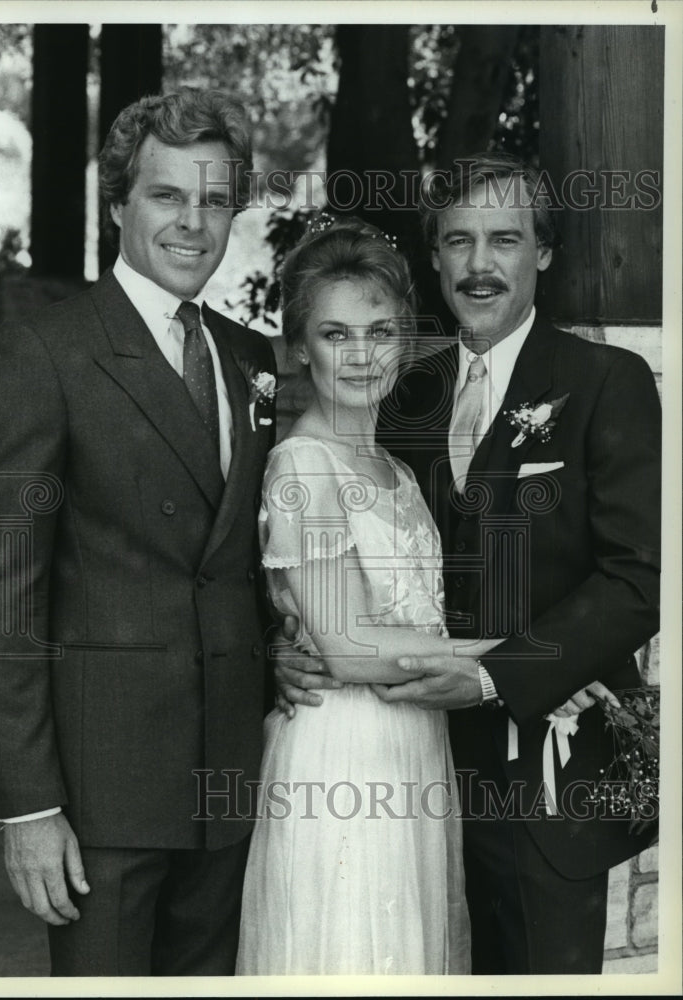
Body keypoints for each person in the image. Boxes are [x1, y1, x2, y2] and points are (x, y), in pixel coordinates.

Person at [277, 155, 661, 974]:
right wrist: (288, 638)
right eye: (458, 241)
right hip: (410, 766)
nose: (479, 265)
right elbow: (331, 550)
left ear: (542, 252)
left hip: (548, 781)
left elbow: (639, 579)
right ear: (435, 256)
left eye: (504, 239)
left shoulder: (606, 382)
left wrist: (494, 676)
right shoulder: (397, 392)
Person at [0, 89, 277, 976]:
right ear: (117, 205)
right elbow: (1, 598)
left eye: (214, 200)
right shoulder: (41, 353)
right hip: (102, 793)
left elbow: (241, 562)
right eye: (166, 195)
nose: (193, 223)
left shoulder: (250, 358)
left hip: (229, 780)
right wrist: (28, 806)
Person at [235, 216, 506, 975]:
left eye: (379, 332)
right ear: (300, 347)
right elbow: (350, 649)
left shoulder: (400, 470)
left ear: (405, 340)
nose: (360, 355)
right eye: (335, 335)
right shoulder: (301, 466)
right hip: (341, 755)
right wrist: (511, 657)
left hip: (415, 746)